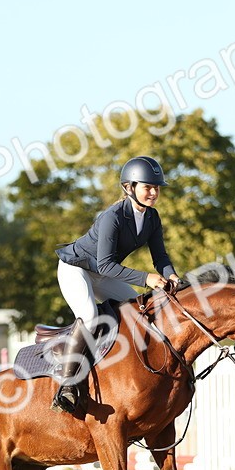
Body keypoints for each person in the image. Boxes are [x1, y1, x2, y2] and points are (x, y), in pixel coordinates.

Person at [51, 155, 182, 413]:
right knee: (89, 316)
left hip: (102, 271)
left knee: (136, 311)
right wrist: (146, 279)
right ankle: (68, 383)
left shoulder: (152, 218)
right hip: (76, 269)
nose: (154, 192)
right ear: (129, 187)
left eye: (156, 188)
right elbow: (107, 265)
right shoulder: (112, 217)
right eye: (148, 187)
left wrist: (172, 275)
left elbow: (160, 257)